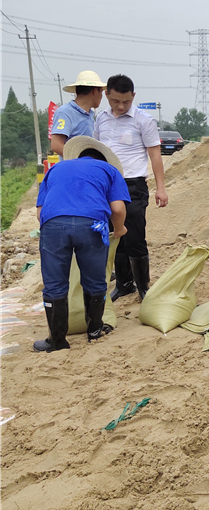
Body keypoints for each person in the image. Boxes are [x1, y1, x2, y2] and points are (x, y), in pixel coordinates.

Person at [34, 137, 129, 352]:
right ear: (105, 161)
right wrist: (119, 229)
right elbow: (117, 209)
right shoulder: (110, 171)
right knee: (95, 281)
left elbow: (40, 213)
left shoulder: (55, 170)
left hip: (53, 225)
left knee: (54, 284)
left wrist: (57, 230)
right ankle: (94, 331)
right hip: (91, 225)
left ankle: (57, 341)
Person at [94, 74, 169, 302]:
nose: (121, 106)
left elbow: (155, 155)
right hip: (106, 184)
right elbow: (95, 151)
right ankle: (124, 284)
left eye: (126, 101)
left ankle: (143, 286)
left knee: (134, 236)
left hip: (132, 185)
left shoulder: (144, 120)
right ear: (106, 95)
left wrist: (161, 188)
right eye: (116, 101)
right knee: (115, 236)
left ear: (133, 96)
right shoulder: (101, 119)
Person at [50, 71, 106, 156]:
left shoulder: (90, 115)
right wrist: (79, 160)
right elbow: (56, 145)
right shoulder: (65, 112)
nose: (101, 96)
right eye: (101, 92)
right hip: (75, 164)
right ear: (95, 91)